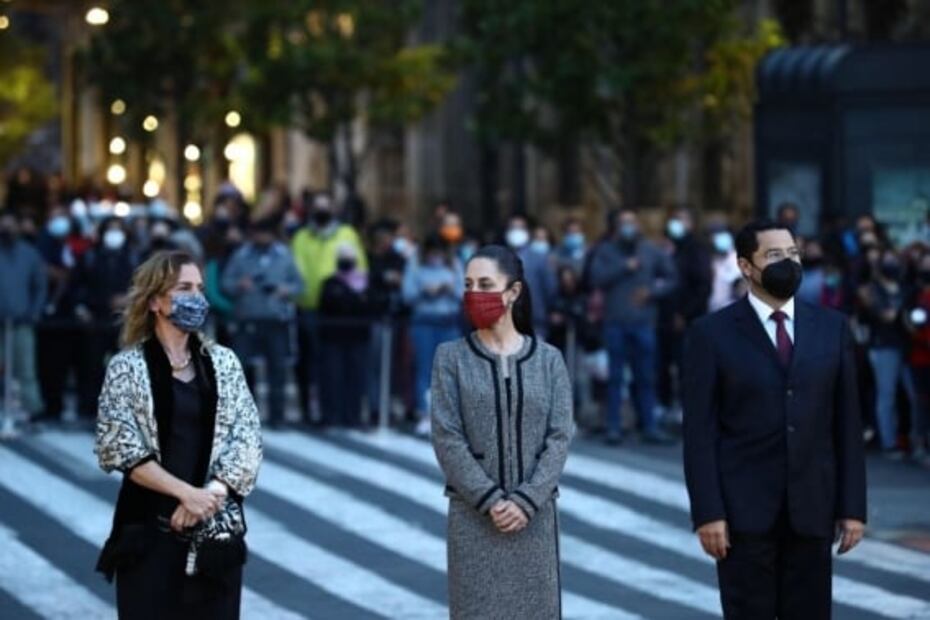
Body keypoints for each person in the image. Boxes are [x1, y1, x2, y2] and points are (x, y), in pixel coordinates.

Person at [682, 220, 866, 620]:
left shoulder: (831, 328)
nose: (788, 262)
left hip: (812, 508)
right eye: (775, 255)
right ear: (746, 266)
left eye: (793, 253)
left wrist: (852, 507)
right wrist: (708, 512)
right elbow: (699, 433)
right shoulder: (710, 334)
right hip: (743, 513)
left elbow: (847, 425)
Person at [95, 250, 262, 619]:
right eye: (184, 288)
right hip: (149, 533)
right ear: (155, 301)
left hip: (214, 535)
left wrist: (210, 495)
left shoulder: (224, 363)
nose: (197, 297)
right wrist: (186, 494)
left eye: (200, 289)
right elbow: (119, 446)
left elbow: (247, 436)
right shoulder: (127, 367)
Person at [431, 244, 573, 620]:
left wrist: (526, 501)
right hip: (473, 517)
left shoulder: (549, 360)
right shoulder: (450, 358)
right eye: (468, 285)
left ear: (513, 292)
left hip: (535, 518)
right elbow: (447, 437)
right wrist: (491, 500)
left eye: (485, 284)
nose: (474, 294)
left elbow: (559, 437)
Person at [588, 207, 678, 445]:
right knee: (615, 378)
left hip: (643, 323)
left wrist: (652, 291)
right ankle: (614, 427)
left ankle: (649, 426)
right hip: (615, 323)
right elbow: (595, 278)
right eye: (624, 222)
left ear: (638, 225)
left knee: (646, 377)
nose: (629, 226)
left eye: (632, 222)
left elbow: (672, 277)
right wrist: (623, 267)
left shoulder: (651, 250)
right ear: (617, 227)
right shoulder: (606, 250)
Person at [291, 193, 368, 422]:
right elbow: (295, 268)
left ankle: (343, 410)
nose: (322, 212)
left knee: (340, 363)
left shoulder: (347, 234)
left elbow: (359, 268)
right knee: (310, 362)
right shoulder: (301, 237)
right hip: (308, 307)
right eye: (318, 207)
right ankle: (311, 409)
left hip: (339, 310)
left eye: (326, 207)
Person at [222, 217, 303, 428]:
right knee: (241, 368)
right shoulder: (241, 255)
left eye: (266, 234)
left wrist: (285, 289)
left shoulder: (284, 256)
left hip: (276, 319)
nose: (262, 238)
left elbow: (299, 285)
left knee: (277, 368)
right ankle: (243, 416)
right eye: (259, 233)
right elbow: (226, 283)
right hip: (247, 319)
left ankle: (277, 415)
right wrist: (239, 285)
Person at [402, 235, 462, 436]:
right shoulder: (415, 266)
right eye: (432, 252)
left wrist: (449, 288)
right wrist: (425, 291)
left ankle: (447, 416)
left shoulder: (454, 265)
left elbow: (463, 293)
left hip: (448, 322)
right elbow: (407, 294)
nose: (435, 256)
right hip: (424, 323)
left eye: (439, 252)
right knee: (424, 369)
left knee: (448, 371)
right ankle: (425, 413)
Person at [658, 208, 712, 418]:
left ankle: (686, 408)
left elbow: (703, 286)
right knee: (662, 363)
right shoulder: (667, 248)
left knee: (686, 365)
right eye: (674, 219)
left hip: (688, 318)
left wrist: (685, 313)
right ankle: (664, 404)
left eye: (682, 220)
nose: (677, 224)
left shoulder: (696, 250)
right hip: (664, 317)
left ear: (692, 224)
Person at [857, 248, 908, 456]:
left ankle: (910, 438)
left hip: (908, 346)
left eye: (894, 259)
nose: (891, 264)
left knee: (913, 396)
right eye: (887, 260)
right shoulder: (871, 290)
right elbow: (884, 315)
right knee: (887, 395)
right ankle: (889, 442)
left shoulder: (904, 286)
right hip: (883, 346)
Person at [0, 211, 47, 420]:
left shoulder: (30, 254)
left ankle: (33, 410)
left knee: (25, 369)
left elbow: (40, 286)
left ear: (18, 228)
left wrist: (34, 312)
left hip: (22, 323)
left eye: (10, 225)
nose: (7, 230)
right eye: (3, 225)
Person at [319, 244, 372, 427]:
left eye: (349, 258)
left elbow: (369, 306)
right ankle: (331, 416)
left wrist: (349, 300)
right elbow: (330, 305)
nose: (346, 261)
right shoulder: (329, 283)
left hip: (358, 337)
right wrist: (355, 300)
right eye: (343, 258)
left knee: (356, 378)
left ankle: (353, 416)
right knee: (333, 377)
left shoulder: (365, 283)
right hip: (333, 337)